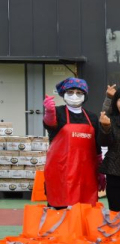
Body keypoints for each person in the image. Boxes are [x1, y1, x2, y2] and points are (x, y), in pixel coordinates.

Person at [43, 78, 100, 208]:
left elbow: (97, 145)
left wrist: (100, 168)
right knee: (60, 209)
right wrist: (49, 113)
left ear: (85, 95)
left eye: (79, 92)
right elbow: (50, 124)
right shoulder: (58, 112)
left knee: (84, 209)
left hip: (86, 173)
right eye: (70, 92)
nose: (75, 95)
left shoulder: (92, 117)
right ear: (63, 94)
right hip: (61, 172)